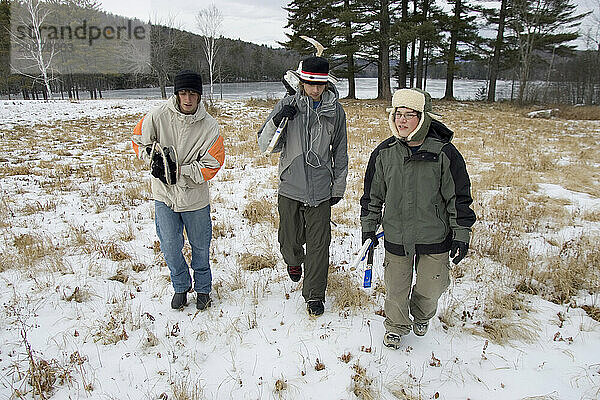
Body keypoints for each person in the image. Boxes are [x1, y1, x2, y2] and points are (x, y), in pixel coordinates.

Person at [360, 88, 476, 349]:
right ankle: (396, 327)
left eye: (408, 115)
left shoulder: (445, 153)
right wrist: (368, 229)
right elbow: (372, 196)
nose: (401, 120)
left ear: (423, 118)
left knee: (432, 286)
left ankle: (422, 315)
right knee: (396, 288)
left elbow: (458, 198)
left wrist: (461, 234)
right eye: (397, 114)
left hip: (434, 234)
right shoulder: (384, 153)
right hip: (397, 235)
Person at [257, 56, 348, 316]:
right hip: (290, 186)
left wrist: (337, 187)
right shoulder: (288, 104)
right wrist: (279, 120)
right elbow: (265, 145)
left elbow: (340, 151)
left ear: (326, 83)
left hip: (321, 188)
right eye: (309, 83)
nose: (315, 89)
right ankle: (294, 261)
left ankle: (314, 295)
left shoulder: (335, 111)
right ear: (302, 81)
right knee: (289, 239)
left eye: (320, 84)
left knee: (319, 245)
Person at [132, 70, 224, 311]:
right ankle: (181, 286)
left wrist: (180, 170)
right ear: (176, 94)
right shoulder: (157, 115)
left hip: (194, 198)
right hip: (164, 196)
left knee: (200, 246)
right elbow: (137, 139)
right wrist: (154, 159)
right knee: (170, 246)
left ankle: (203, 288)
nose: (187, 98)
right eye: (183, 92)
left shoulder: (210, 126)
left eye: (193, 93)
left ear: (199, 96)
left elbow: (213, 163)